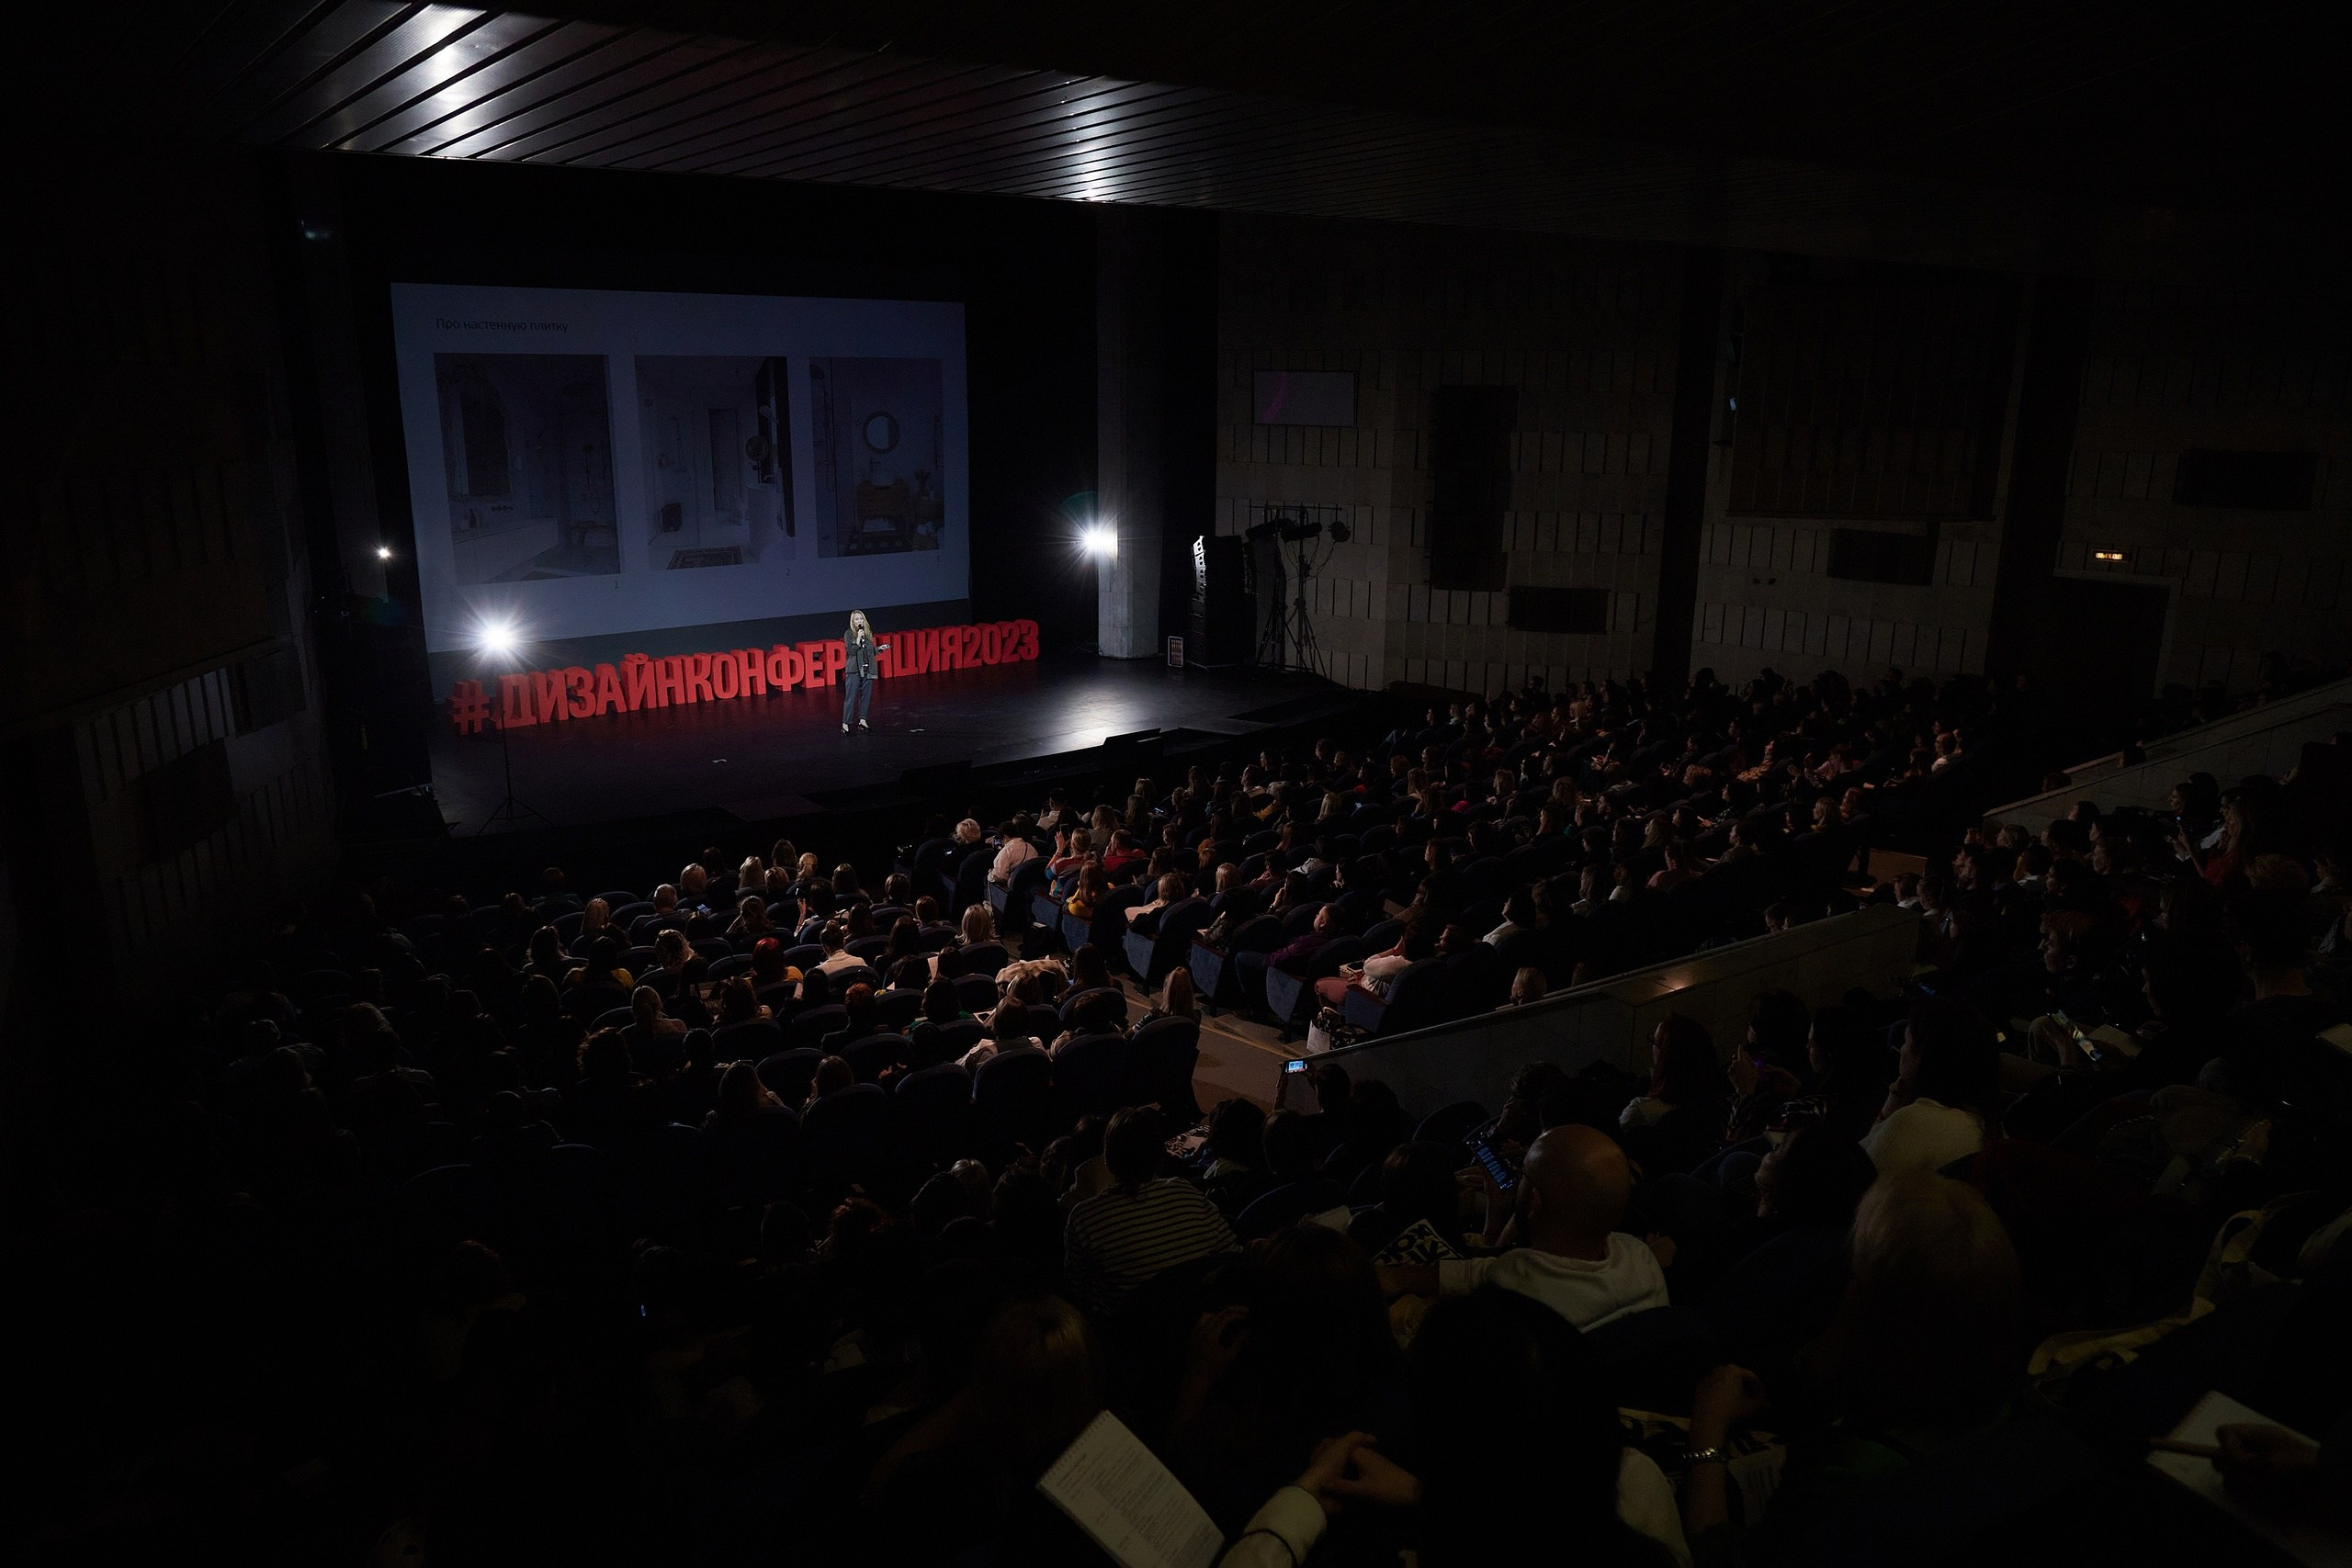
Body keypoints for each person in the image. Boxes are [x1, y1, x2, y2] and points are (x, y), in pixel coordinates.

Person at [1379, 1124, 1669, 1333]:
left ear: (1533, 1201)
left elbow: (1495, 1276)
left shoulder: (1512, 1300)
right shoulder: (1641, 1257)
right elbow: (1480, 1272)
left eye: (1524, 1175)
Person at [1063, 1107, 1238, 1313]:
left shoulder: (1084, 1218)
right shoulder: (1187, 1191)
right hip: (1196, 1326)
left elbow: (1076, 1296)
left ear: (1107, 1159)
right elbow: (1233, 1255)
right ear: (1159, 1157)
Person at [840, 609, 890, 733]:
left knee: (866, 697)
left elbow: (869, 652)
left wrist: (879, 649)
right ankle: (845, 724)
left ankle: (862, 721)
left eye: (861, 618)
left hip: (867, 669)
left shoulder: (867, 634)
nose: (859, 621)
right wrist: (857, 640)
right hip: (854, 671)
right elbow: (851, 652)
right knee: (850, 697)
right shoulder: (849, 634)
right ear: (852, 621)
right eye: (856, 619)